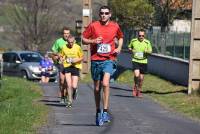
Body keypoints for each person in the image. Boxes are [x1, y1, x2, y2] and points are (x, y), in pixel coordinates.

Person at [82, 5, 123, 126]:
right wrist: (93, 41)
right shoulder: (93, 25)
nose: (104, 15)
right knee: (96, 88)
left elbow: (120, 37)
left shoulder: (115, 26)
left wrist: (119, 48)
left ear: (110, 14)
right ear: (99, 15)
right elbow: (84, 39)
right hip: (95, 60)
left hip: (109, 59)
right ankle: (97, 111)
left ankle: (105, 111)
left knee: (105, 83)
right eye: (101, 13)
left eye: (106, 13)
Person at [60, 35, 83, 108]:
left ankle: (75, 91)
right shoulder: (64, 47)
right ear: (67, 42)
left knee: (74, 86)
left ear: (74, 41)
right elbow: (62, 55)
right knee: (68, 85)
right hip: (67, 67)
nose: (71, 44)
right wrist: (61, 59)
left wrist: (76, 60)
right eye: (69, 42)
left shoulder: (77, 47)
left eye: (72, 42)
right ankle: (69, 101)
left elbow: (82, 57)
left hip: (75, 67)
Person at [128, 29, 152, 98]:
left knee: (141, 78)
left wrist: (146, 51)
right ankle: (135, 86)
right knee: (136, 75)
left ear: (144, 36)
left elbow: (150, 52)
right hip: (135, 60)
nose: (141, 37)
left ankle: (139, 91)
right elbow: (129, 47)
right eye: (140, 35)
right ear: (137, 35)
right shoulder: (133, 41)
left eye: (142, 36)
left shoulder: (147, 42)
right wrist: (131, 50)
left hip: (144, 61)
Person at [51, 26, 70, 104]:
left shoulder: (72, 41)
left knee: (67, 81)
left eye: (68, 33)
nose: (66, 35)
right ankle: (62, 96)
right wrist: (58, 54)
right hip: (61, 63)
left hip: (70, 64)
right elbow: (53, 51)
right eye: (65, 33)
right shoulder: (58, 41)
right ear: (62, 34)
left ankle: (67, 95)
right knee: (62, 81)